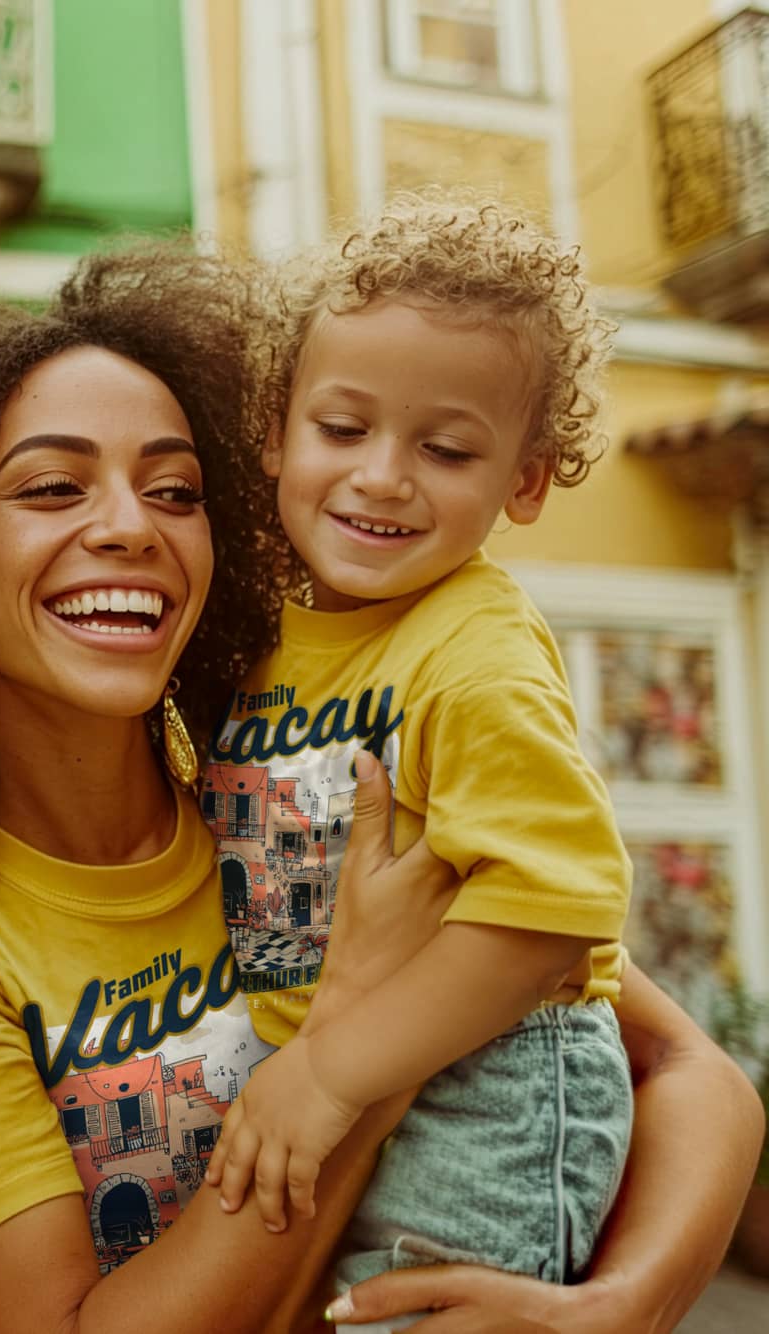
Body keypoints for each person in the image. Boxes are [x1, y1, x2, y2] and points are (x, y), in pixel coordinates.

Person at [0, 246, 764, 1332]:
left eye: (175, 490)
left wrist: (616, 1308)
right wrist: (358, 1050)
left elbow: (681, 1064)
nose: (129, 525)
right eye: (52, 487)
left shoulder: (296, 789)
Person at [202, 195, 632, 1320]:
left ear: (525, 481)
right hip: (344, 1075)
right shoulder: (261, 647)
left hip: (487, 1087)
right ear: (275, 432)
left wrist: (326, 1069)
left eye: (444, 449)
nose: (383, 476)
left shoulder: (475, 653)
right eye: (342, 429)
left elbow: (549, 914)